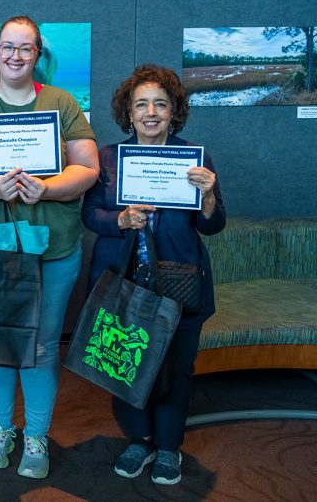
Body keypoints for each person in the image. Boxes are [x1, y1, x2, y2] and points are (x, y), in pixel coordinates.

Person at [0, 15, 99, 479]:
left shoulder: (61, 102)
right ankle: (1, 430)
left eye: (25, 48)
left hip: (53, 248)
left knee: (44, 347)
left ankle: (36, 438)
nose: (15, 56)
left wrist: (45, 189)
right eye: (8, 47)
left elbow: (87, 170)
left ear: (38, 54)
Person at [82, 63, 225, 486]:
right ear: (128, 113)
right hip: (122, 279)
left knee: (177, 369)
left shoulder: (195, 158)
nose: (150, 112)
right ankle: (139, 440)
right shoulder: (108, 159)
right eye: (141, 104)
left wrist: (209, 195)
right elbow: (90, 214)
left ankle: (168, 447)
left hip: (179, 280)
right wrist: (121, 220)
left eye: (160, 104)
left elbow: (212, 225)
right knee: (124, 365)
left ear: (173, 112)